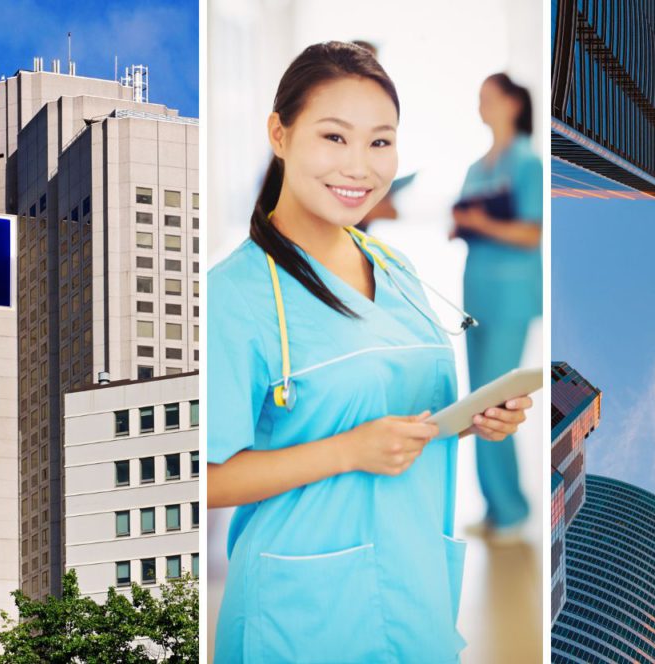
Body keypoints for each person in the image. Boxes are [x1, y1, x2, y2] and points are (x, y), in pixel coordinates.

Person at [208, 42, 534, 663]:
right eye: (335, 137)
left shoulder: (398, 268)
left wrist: (470, 422)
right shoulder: (235, 295)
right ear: (280, 134)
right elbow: (198, 480)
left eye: (380, 142)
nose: (359, 166)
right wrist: (347, 450)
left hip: (416, 601)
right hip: (298, 621)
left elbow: (396, 412)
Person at [452, 73, 543, 542]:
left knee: (494, 404)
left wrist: (479, 220)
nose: (479, 105)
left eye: (487, 96)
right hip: (475, 293)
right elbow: (465, 220)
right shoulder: (475, 166)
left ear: (511, 104)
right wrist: (462, 224)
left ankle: (511, 510)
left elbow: (531, 232)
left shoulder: (529, 163)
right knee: (475, 403)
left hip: (511, 294)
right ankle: (495, 507)